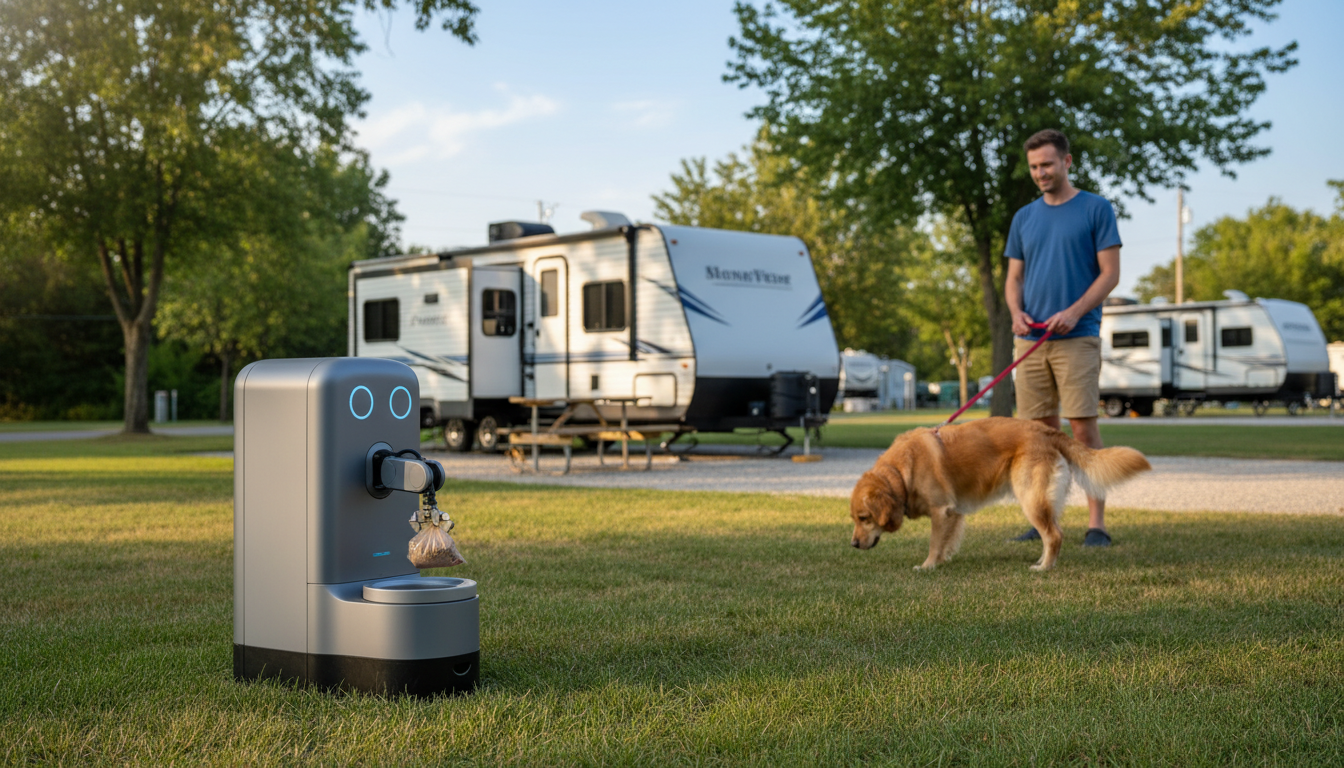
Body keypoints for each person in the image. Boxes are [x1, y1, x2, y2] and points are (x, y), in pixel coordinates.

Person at [1004, 129, 1122, 547]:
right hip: (1031, 340)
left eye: (1048, 164)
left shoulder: (1096, 209)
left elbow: (1111, 274)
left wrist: (1074, 312)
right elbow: (1013, 277)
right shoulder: (1024, 217)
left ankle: (1097, 525)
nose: (1040, 173)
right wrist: (1016, 312)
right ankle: (1044, 520)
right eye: (1034, 166)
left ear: (1067, 162)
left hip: (1078, 336)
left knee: (1082, 431)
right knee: (1036, 435)